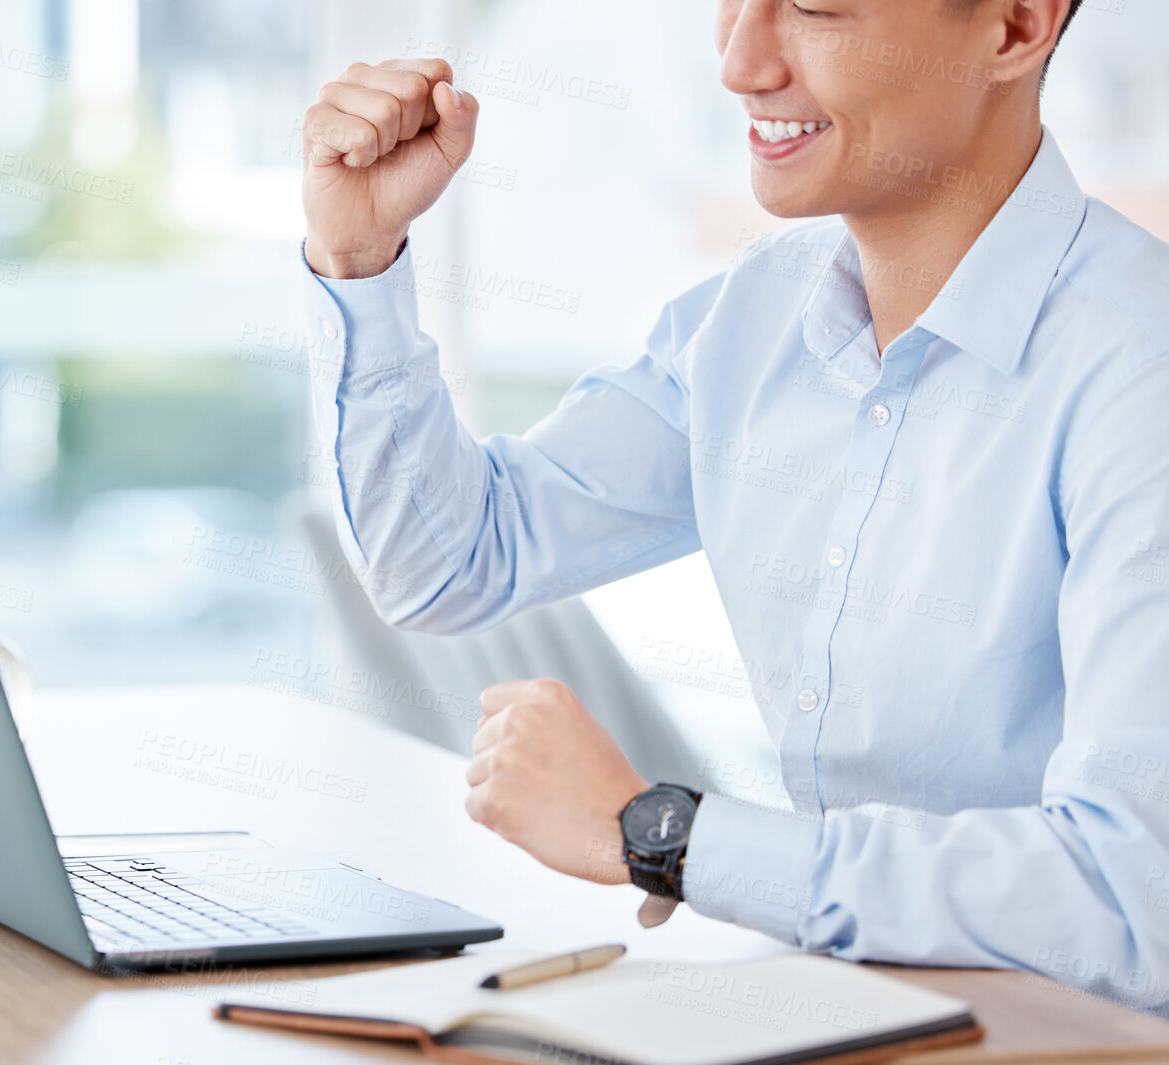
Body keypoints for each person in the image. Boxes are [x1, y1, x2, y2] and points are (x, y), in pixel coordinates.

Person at [297, 0, 1169, 1011]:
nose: (741, 63)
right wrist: (360, 261)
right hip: (847, 1039)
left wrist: (661, 835)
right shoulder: (748, 324)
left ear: (1015, 27)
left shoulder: (1137, 372)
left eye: (812, 9)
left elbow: (1130, 897)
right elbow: (451, 561)